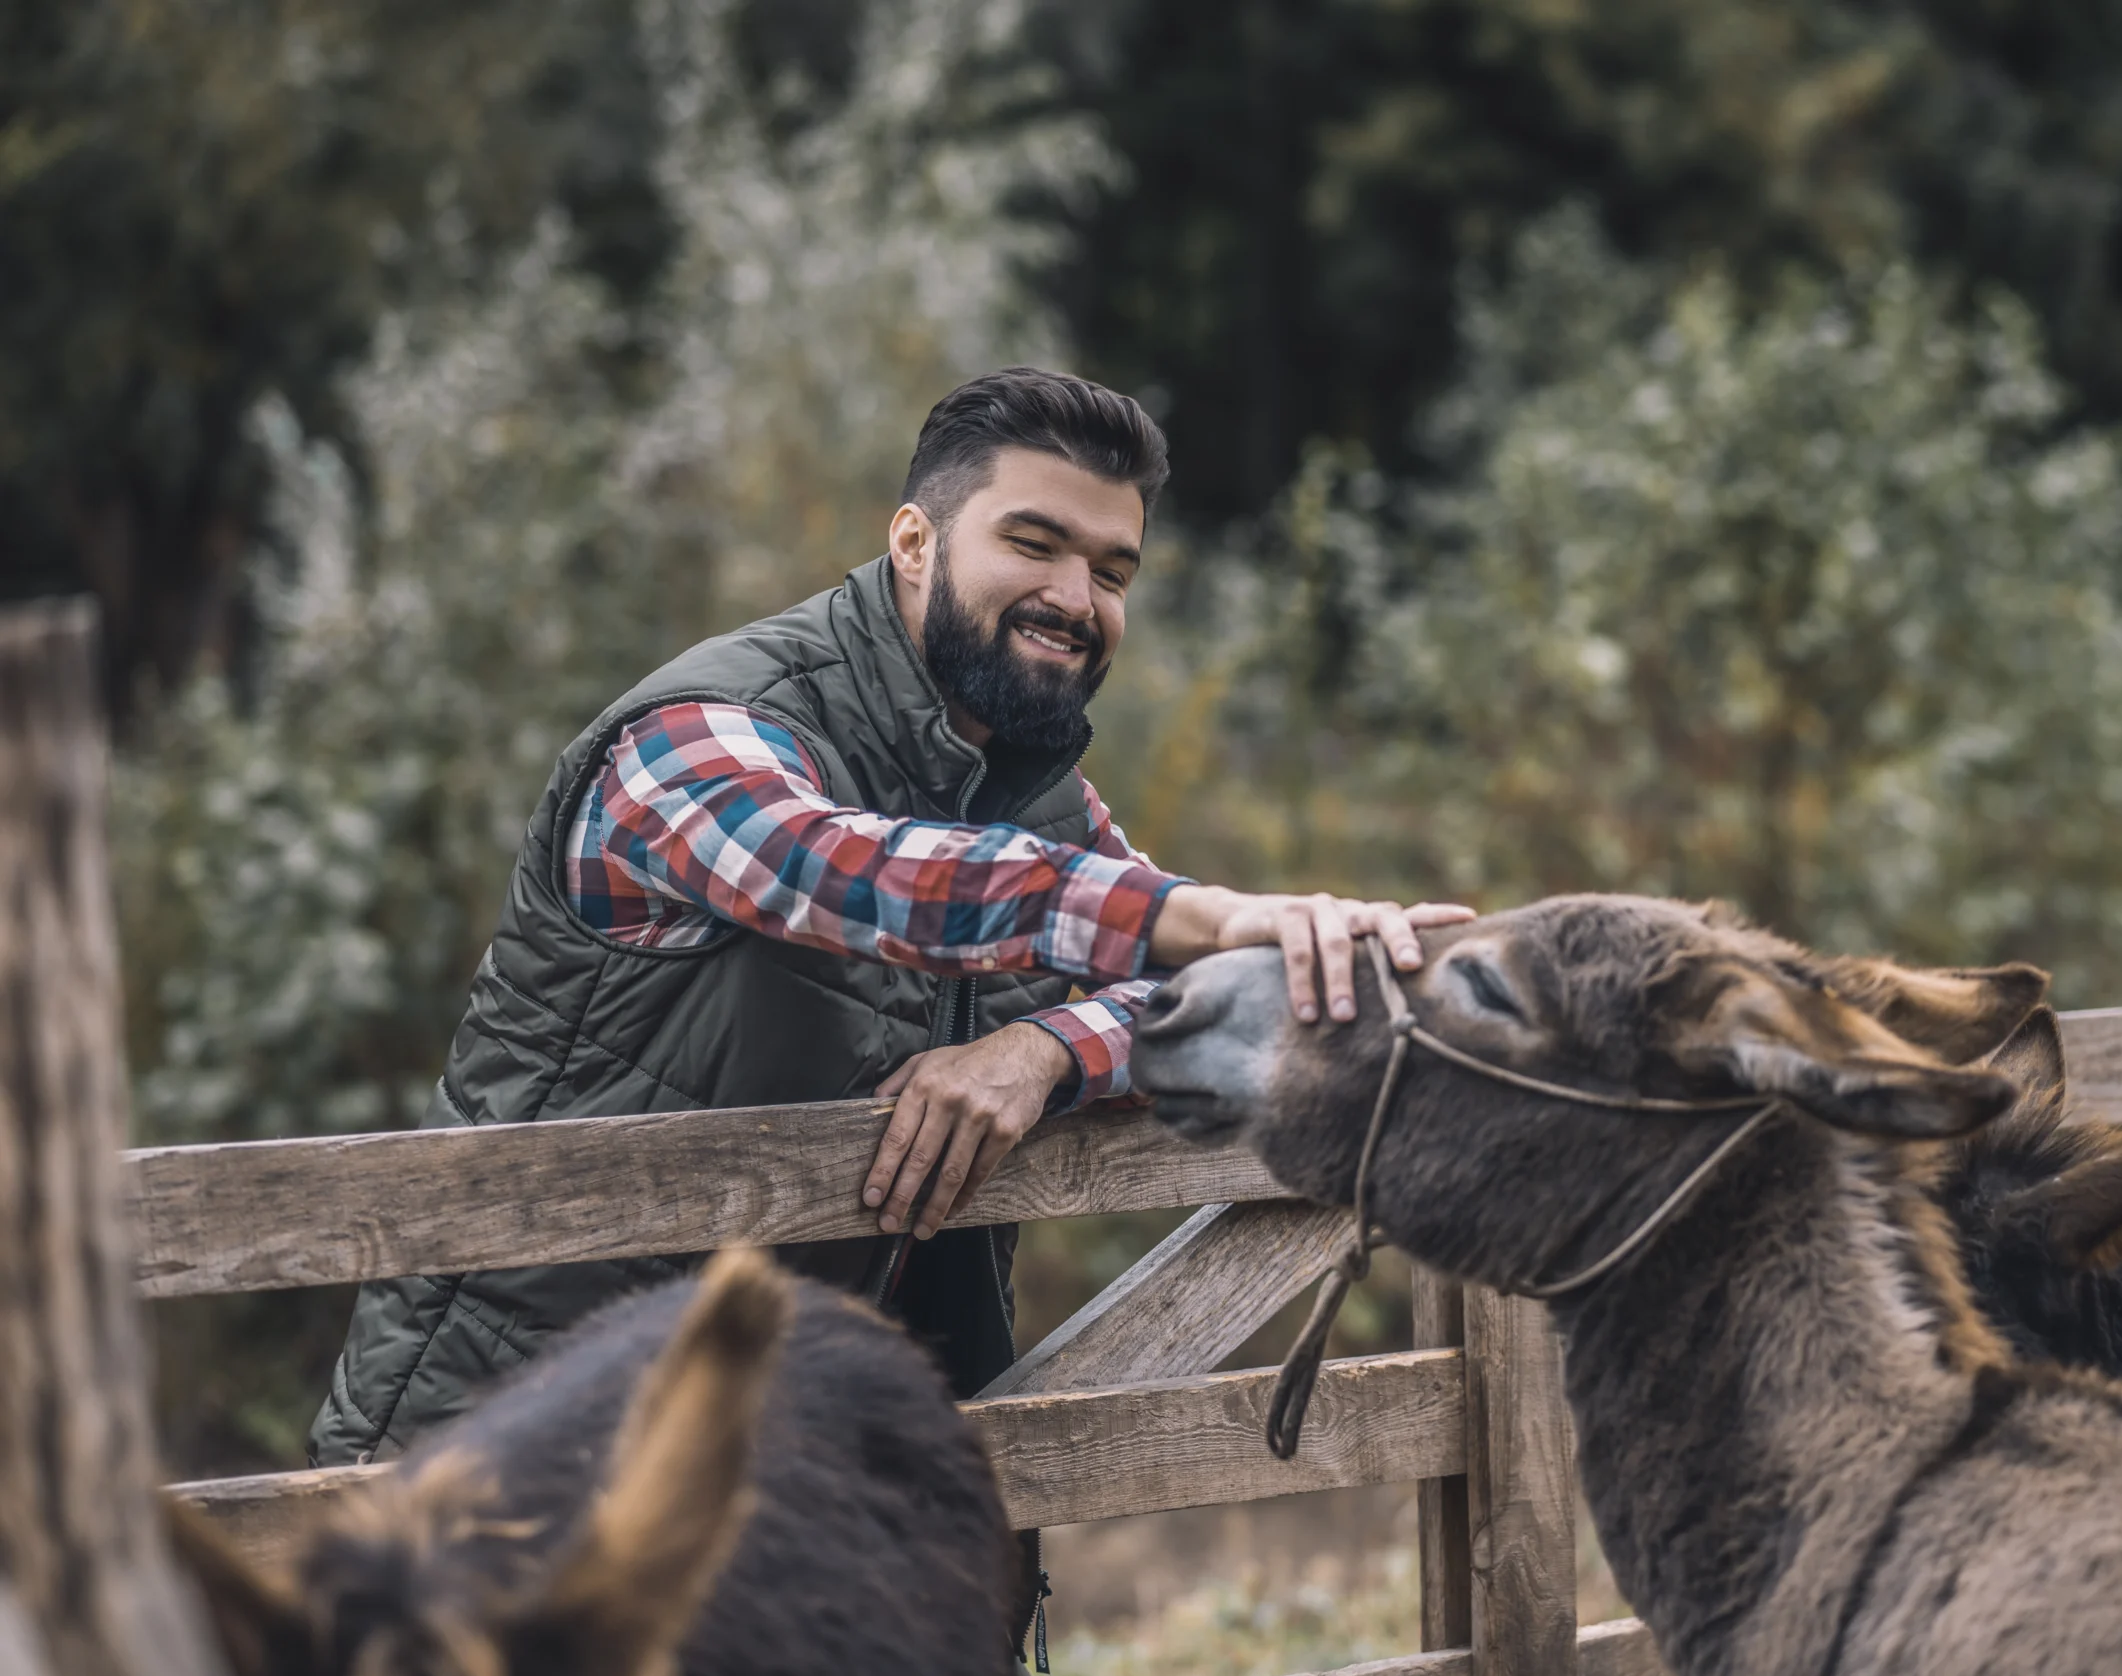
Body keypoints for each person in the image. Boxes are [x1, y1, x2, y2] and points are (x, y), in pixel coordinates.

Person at [305, 367, 1463, 1533]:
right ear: (913, 540)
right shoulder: (693, 735)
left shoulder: (1039, 797)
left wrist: (1047, 1048)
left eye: (1113, 571)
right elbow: (842, 870)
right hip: (503, 1464)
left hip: (792, 1472)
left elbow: (1190, 992)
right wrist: (1211, 911)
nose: (1077, 595)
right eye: (1036, 542)